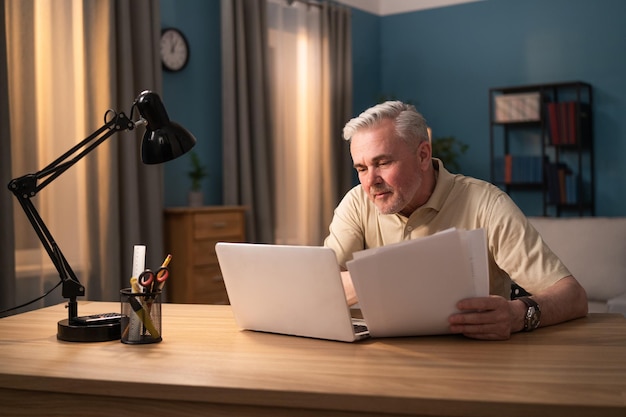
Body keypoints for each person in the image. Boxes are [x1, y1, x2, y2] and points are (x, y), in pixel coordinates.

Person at [324, 101, 588, 341]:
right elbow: (323, 286)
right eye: (361, 169)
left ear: (423, 155)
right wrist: (390, 276)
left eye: (382, 163)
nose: (370, 182)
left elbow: (573, 297)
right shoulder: (357, 201)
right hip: (386, 358)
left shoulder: (488, 204)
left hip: (474, 358)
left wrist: (517, 315)